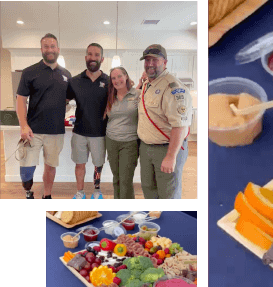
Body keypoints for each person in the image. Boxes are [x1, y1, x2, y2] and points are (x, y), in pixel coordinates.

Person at [15, 33, 72, 199]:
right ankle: (28, 193)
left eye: (53, 46)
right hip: (33, 130)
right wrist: (23, 125)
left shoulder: (66, 75)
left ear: (58, 49)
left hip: (56, 131)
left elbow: (67, 97)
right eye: (46, 46)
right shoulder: (29, 72)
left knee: (50, 166)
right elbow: (20, 100)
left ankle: (47, 195)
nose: (50, 49)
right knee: (26, 169)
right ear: (41, 49)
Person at [138, 44, 192, 199]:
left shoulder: (173, 88)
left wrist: (171, 156)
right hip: (147, 148)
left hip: (166, 148)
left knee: (168, 193)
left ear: (165, 62)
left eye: (155, 60)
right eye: (147, 60)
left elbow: (180, 126)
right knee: (149, 190)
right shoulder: (149, 83)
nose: (150, 64)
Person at [66, 43, 110, 199]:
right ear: (86, 57)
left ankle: (97, 191)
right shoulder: (75, 81)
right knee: (80, 164)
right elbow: (62, 102)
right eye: (90, 54)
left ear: (102, 59)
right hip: (79, 132)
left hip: (100, 133)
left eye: (97, 55)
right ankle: (80, 193)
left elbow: (121, 98)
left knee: (98, 165)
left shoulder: (109, 81)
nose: (93, 58)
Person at [104, 67, 141, 199]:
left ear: (126, 76)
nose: (117, 80)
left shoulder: (137, 94)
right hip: (111, 141)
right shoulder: (109, 96)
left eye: (119, 76)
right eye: (113, 78)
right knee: (116, 178)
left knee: (126, 180)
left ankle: (127, 214)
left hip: (130, 143)